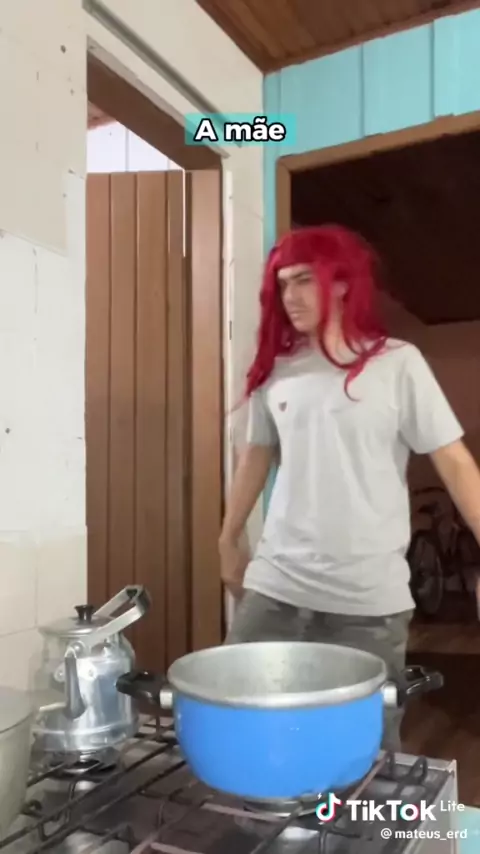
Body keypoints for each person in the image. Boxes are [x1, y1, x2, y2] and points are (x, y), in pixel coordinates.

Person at [219, 224, 480, 751]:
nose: (290, 297)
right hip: (275, 589)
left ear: (341, 283)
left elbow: (454, 462)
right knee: (243, 727)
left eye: (303, 281)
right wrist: (228, 538)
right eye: (283, 285)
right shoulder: (278, 372)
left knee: (364, 753)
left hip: (368, 604)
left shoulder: (397, 363)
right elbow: (256, 456)